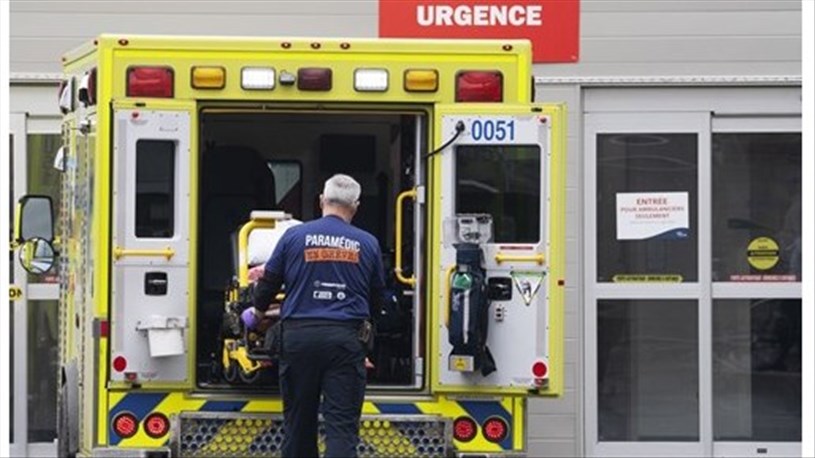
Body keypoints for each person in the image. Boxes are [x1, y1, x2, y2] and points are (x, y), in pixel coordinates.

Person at [241, 174, 385, 458]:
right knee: (342, 428)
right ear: (355, 206)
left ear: (321, 200)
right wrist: (369, 333)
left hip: (299, 339)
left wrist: (257, 312)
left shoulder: (294, 236)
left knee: (298, 425)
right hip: (345, 341)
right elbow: (376, 296)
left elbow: (269, 282)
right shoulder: (367, 243)